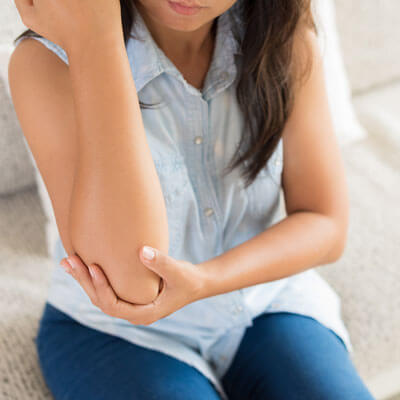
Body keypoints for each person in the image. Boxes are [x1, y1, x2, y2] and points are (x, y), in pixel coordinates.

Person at [9, 0, 375, 399]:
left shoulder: (282, 38)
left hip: (261, 302)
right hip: (117, 333)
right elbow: (132, 285)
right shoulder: (44, 63)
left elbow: (325, 222)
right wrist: (97, 43)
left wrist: (206, 281)